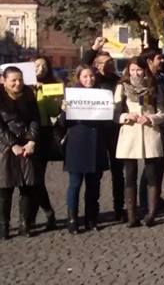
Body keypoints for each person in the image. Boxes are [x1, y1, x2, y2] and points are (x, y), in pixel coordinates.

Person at [114, 56, 164, 227]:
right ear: (127, 71)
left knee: (152, 174)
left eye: (139, 70)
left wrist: (151, 119)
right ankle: (132, 215)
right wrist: (125, 116)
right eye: (132, 70)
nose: (135, 73)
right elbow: (114, 113)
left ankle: (151, 213)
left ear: (145, 70)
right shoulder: (122, 87)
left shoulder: (154, 86)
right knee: (129, 175)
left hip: (150, 132)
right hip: (129, 132)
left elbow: (163, 113)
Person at [61, 65, 111, 233]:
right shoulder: (71, 95)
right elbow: (63, 124)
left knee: (93, 185)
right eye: (85, 77)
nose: (89, 79)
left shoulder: (102, 94)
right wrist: (64, 111)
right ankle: (72, 219)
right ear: (79, 78)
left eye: (91, 76)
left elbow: (107, 122)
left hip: (96, 144)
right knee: (75, 184)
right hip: (77, 144)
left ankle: (91, 218)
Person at [85, 39, 126, 222]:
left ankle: (119, 207)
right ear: (95, 65)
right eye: (101, 63)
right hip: (97, 131)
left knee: (118, 171)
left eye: (109, 63)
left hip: (115, 130)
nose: (105, 66)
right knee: (96, 172)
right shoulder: (93, 81)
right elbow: (83, 65)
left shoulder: (117, 80)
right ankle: (93, 211)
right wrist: (94, 49)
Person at [0, 67, 40, 239]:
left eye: (20, 80)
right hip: (4, 146)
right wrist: (13, 144)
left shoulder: (28, 94)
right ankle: (4, 226)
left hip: (26, 144)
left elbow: (34, 118)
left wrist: (31, 141)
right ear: (4, 80)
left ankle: (25, 224)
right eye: (13, 80)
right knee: (5, 189)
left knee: (27, 187)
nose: (18, 83)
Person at [31, 55, 62, 231]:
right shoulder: (22, 85)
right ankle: (29, 217)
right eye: (37, 66)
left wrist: (44, 92)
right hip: (22, 135)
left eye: (44, 66)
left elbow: (53, 111)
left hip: (43, 134)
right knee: (24, 180)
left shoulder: (52, 86)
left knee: (36, 178)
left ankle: (45, 213)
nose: (40, 69)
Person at [139, 48, 164, 209]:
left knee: (160, 165)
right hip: (152, 127)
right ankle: (145, 202)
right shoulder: (144, 80)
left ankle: (155, 198)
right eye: (159, 58)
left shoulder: (159, 78)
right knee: (151, 167)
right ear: (149, 61)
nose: (162, 61)